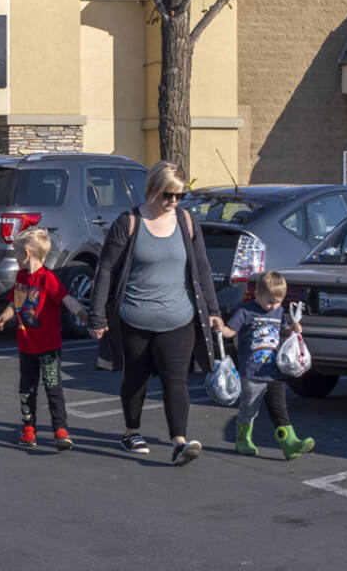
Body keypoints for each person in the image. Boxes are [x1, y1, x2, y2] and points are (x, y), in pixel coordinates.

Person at [88, 160, 220, 466]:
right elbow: (105, 268)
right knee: (136, 377)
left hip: (179, 317)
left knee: (176, 380)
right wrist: (97, 315)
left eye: (179, 196)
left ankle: (180, 442)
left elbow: (201, 268)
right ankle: (131, 432)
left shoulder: (187, 222)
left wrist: (213, 311)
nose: (172, 201)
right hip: (135, 317)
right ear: (153, 189)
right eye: (167, 195)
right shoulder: (129, 222)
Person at [0, 227, 88, 450]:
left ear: (27, 254)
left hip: (48, 349)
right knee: (27, 389)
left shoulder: (48, 279)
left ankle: (60, 430)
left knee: (53, 388)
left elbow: (68, 300)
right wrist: (4, 317)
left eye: (16, 253)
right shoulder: (21, 277)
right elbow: (15, 302)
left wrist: (85, 317)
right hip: (26, 348)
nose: (15, 257)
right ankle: (28, 428)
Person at [211, 271, 316, 459]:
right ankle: (243, 439)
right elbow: (230, 332)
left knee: (280, 409)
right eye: (269, 301)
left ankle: (290, 444)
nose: (273, 306)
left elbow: (281, 333)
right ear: (257, 294)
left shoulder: (279, 311)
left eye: (278, 302)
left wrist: (291, 329)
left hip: (275, 372)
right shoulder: (246, 310)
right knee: (249, 409)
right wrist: (220, 328)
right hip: (252, 373)